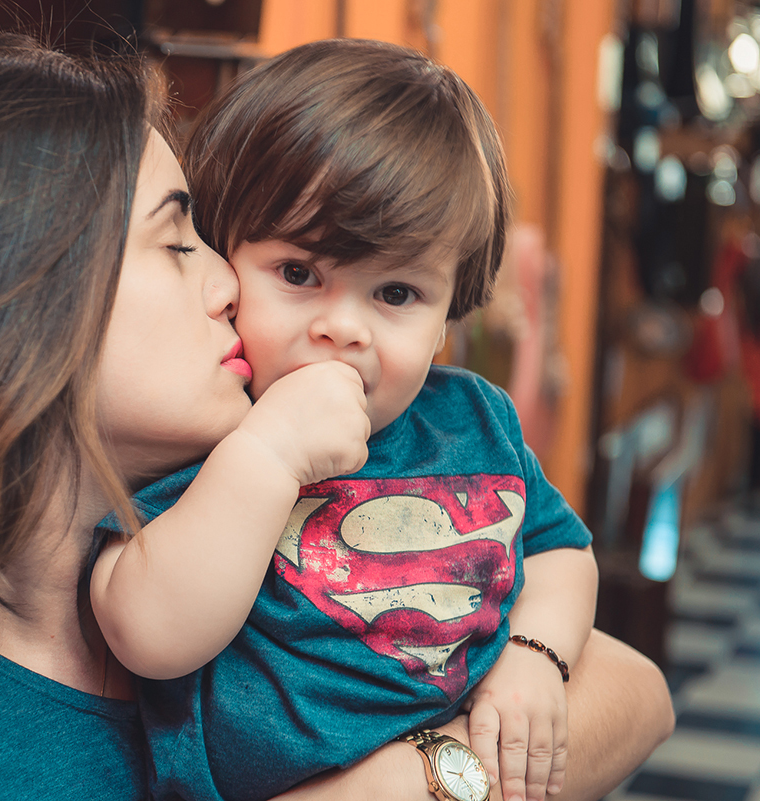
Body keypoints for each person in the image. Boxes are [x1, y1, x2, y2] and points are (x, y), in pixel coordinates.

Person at [0, 34, 672, 801]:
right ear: (6, 305)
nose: (231, 285)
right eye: (180, 242)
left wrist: (417, 781)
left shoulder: (260, 515)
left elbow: (631, 689)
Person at [90, 39, 598, 801]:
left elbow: (562, 551)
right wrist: (269, 452)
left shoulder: (473, 419)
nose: (344, 328)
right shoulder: (212, 431)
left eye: (396, 293)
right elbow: (147, 632)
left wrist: (534, 652)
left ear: (447, 313)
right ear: (225, 260)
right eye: (299, 273)